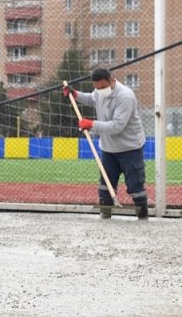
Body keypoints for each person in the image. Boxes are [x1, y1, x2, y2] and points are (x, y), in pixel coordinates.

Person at [63, 68, 150, 220]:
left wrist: (91, 124)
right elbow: (92, 98)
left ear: (112, 80)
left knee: (135, 186)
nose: (100, 90)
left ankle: (143, 217)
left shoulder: (125, 96)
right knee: (105, 186)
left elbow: (117, 126)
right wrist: (75, 94)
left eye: (102, 87)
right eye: (97, 87)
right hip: (109, 149)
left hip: (130, 148)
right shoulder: (99, 91)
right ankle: (105, 217)